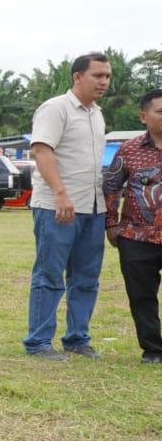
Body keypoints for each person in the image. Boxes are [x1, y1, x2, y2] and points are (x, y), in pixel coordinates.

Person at [24, 52, 111, 361]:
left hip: (92, 207)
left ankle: (77, 338)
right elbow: (41, 150)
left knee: (86, 278)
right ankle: (38, 342)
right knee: (49, 275)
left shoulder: (96, 114)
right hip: (56, 207)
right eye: (97, 75)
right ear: (77, 77)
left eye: (107, 76)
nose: (103, 82)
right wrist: (60, 193)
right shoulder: (55, 108)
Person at [105, 89, 162, 365]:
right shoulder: (128, 150)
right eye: (160, 112)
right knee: (141, 296)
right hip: (136, 236)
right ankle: (153, 349)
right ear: (143, 116)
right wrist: (110, 224)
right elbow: (111, 189)